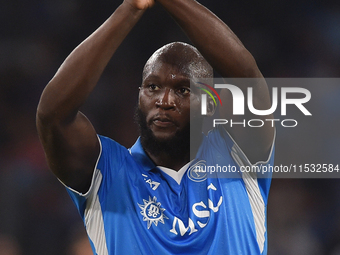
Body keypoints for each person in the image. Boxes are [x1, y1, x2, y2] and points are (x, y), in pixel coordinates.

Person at [36, 0, 275, 254]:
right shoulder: (105, 171)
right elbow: (52, 115)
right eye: (153, 87)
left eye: (183, 90)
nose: (164, 101)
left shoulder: (239, 155)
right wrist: (130, 9)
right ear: (139, 96)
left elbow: (248, 78)